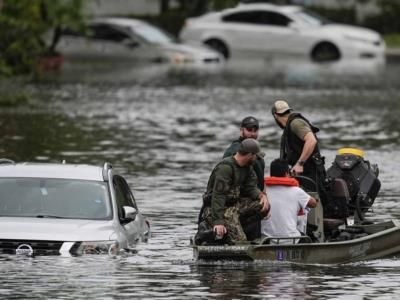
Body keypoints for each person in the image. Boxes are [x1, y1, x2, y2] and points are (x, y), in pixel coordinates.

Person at [196, 138, 270, 245]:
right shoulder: (226, 168)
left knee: (262, 205)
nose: (257, 159)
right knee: (240, 242)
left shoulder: (247, 168)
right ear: (250, 155)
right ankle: (211, 229)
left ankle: (238, 226)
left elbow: (251, 187)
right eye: (256, 156)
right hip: (217, 209)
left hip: (234, 206)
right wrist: (218, 222)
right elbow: (218, 196)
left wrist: (261, 196)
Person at [271, 100, 326, 192]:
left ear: (275, 116)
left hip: (311, 173)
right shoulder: (290, 125)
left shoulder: (295, 123)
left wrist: (299, 164)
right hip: (304, 173)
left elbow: (311, 140)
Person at [261, 158, 317, 244]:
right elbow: (313, 204)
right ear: (287, 173)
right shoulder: (297, 191)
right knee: (309, 239)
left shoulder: (262, 191)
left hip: (267, 240)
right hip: (291, 240)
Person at [223, 116, 265, 191]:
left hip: (257, 194)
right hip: (240, 196)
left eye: (255, 130)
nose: (252, 134)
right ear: (241, 130)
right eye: (249, 130)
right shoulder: (234, 150)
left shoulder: (257, 150)